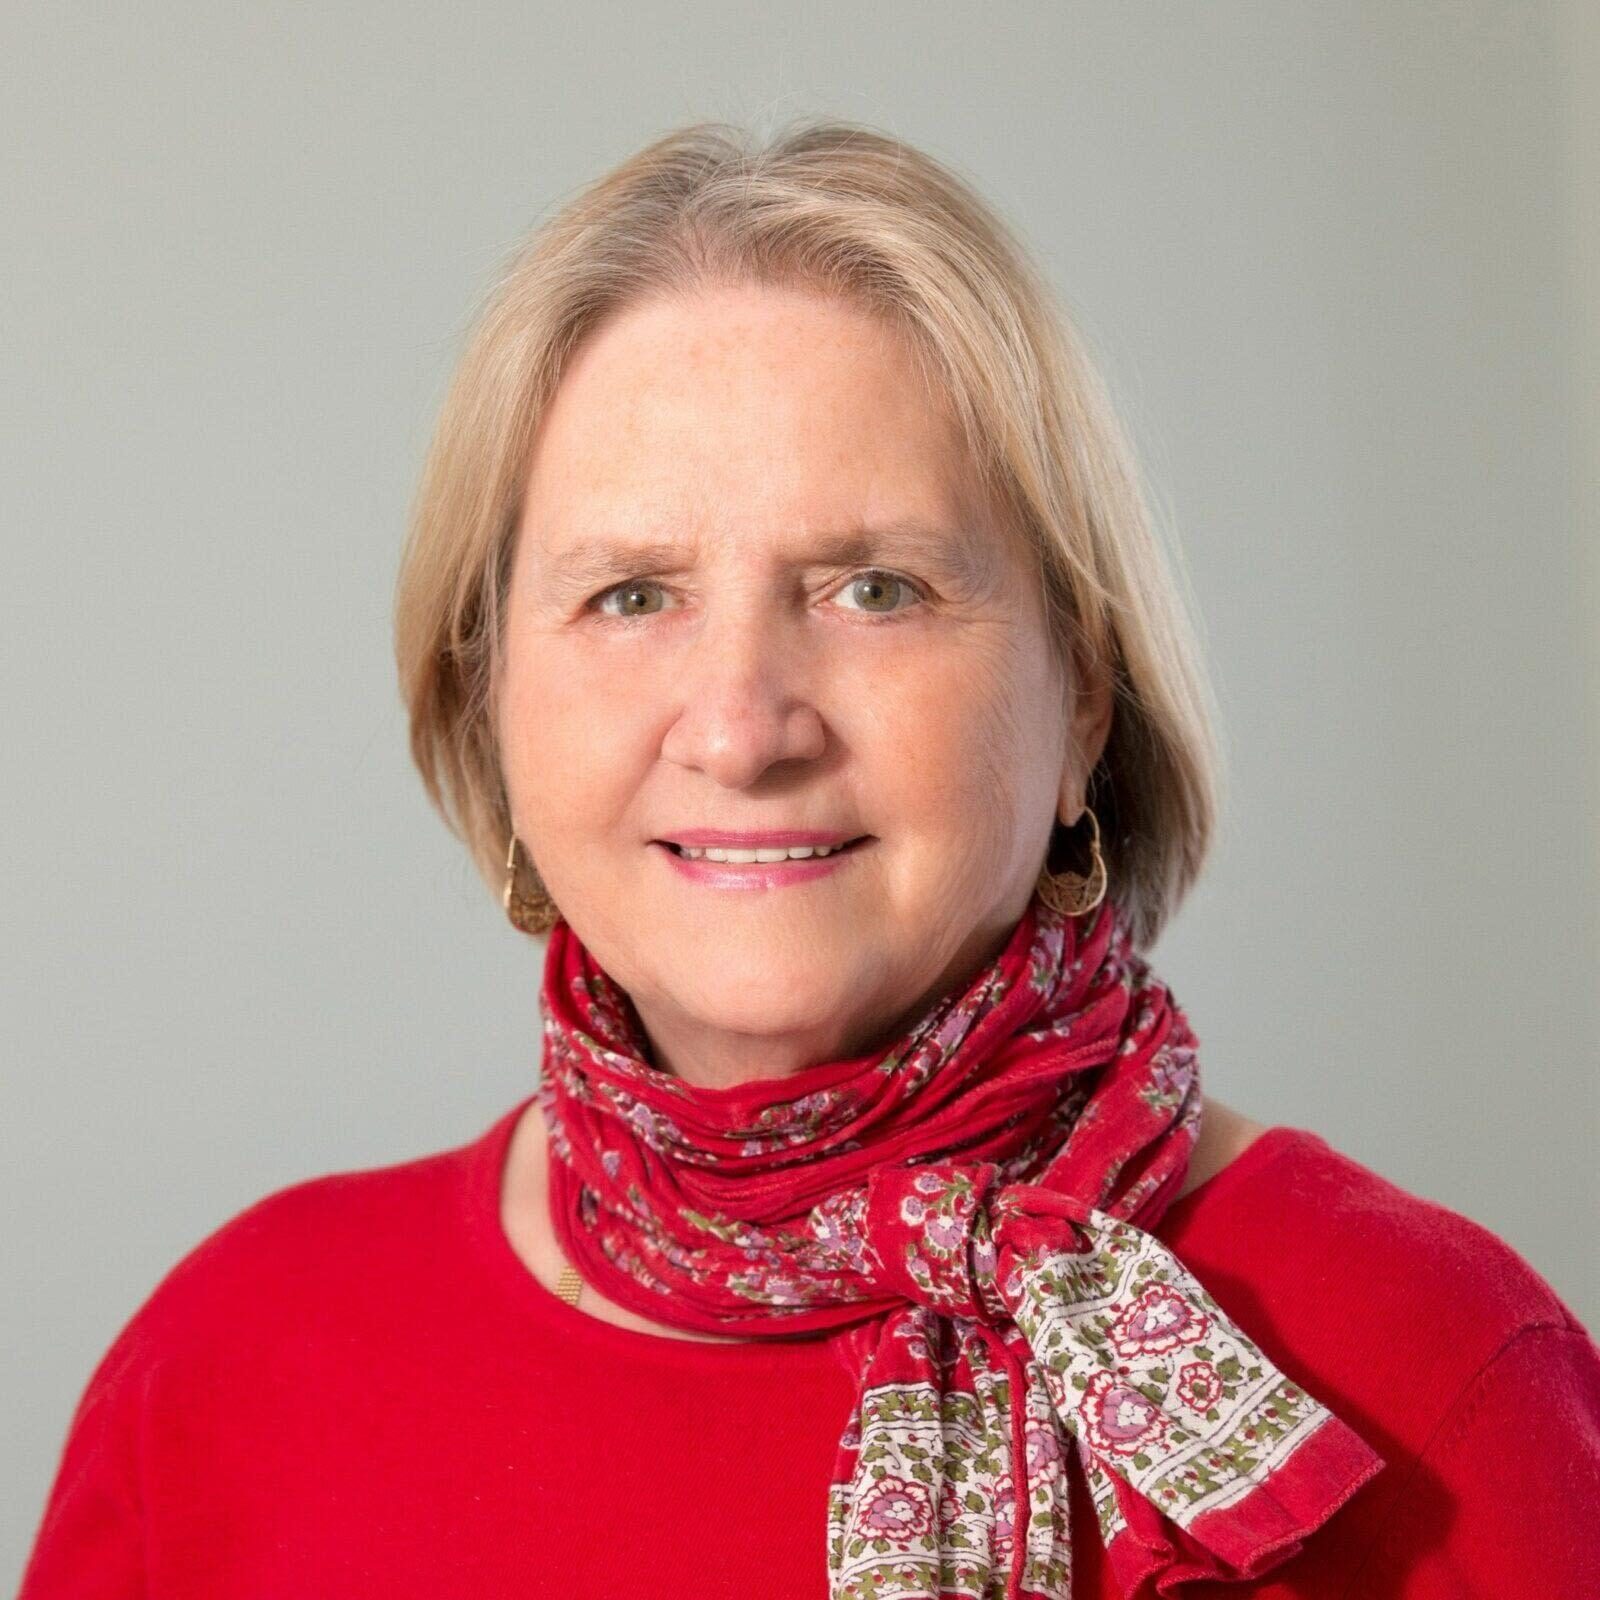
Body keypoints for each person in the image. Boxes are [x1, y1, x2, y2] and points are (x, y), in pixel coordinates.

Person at [19, 119, 1600, 1600]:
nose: (743, 725)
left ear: (1085, 696)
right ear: (492, 700)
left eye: (875, 588)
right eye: (631, 595)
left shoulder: (1431, 1375)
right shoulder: (223, 1379)